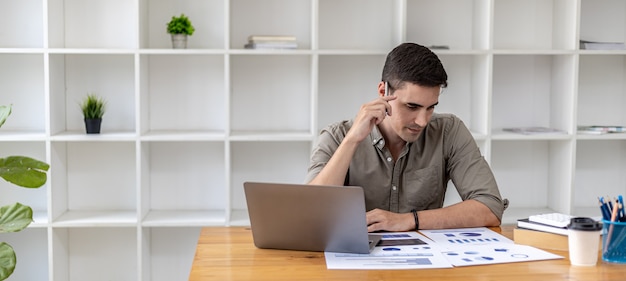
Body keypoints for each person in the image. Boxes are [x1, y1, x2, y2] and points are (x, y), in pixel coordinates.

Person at [305, 42, 508, 232]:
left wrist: (408, 220)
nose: (422, 121)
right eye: (412, 106)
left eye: (431, 108)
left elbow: (489, 207)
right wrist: (351, 141)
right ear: (383, 91)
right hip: (353, 261)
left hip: (426, 262)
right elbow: (311, 213)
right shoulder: (337, 136)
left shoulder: (449, 131)